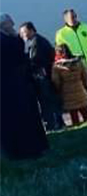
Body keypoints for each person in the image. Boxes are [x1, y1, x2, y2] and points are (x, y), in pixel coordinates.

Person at [0, 14, 49, 160]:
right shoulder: (5, 41)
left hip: (16, 86)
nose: (14, 26)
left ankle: (31, 148)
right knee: (22, 119)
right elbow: (16, 54)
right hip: (12, 87)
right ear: (4, 25)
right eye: (11, 24)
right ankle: (29, 149)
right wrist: (17, 38)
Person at [19, 22, 65, 131]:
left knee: (47, 101)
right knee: (49, 100)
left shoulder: (38, 42)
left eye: (24, 32)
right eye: (21, 33)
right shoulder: (33, 41)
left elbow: (35, 60)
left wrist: (25, 63)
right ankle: (56, 123)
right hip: (43, 75)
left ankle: (54, 124)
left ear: (31, 30)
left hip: (43, 76)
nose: (23, 35)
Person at [51, 44, 87, 127]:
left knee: (73, 111)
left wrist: (58, 89)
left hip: (67, 90)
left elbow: (56, 80)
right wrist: (84, 84)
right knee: (83, 108)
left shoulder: (57, 66)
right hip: (79, 87)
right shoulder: (78, 61)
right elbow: (85, 74)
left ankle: (76, 126)